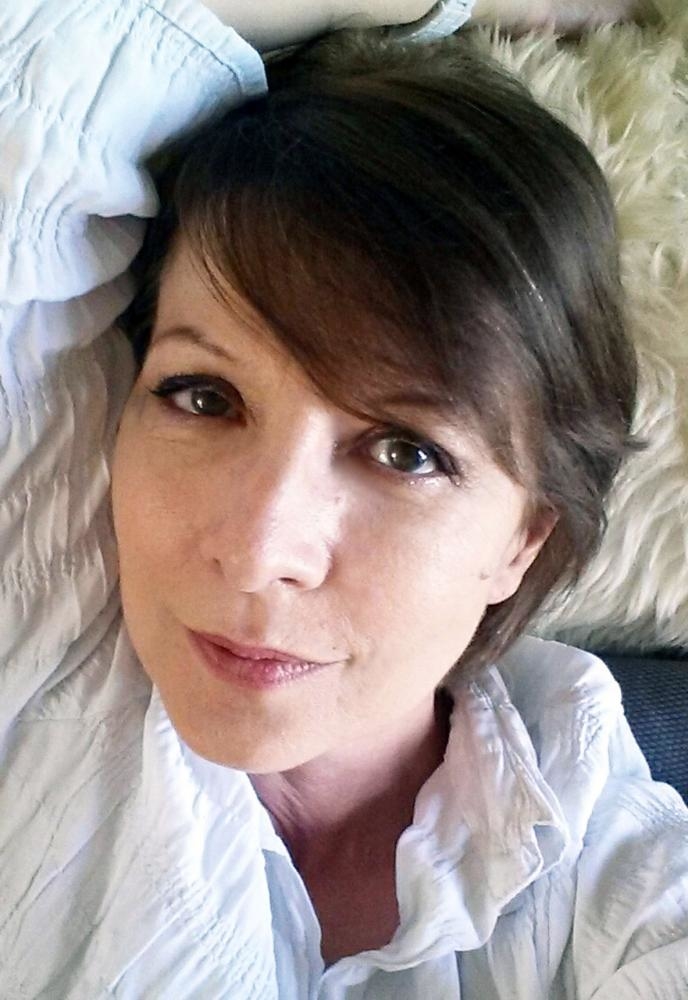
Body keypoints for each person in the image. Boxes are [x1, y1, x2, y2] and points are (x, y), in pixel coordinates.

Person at [0, 0, 685, 997]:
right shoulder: (40, 636)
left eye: (406, 453)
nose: (257, 549)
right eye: (204, 396)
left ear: (523, 539)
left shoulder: (619, 884)